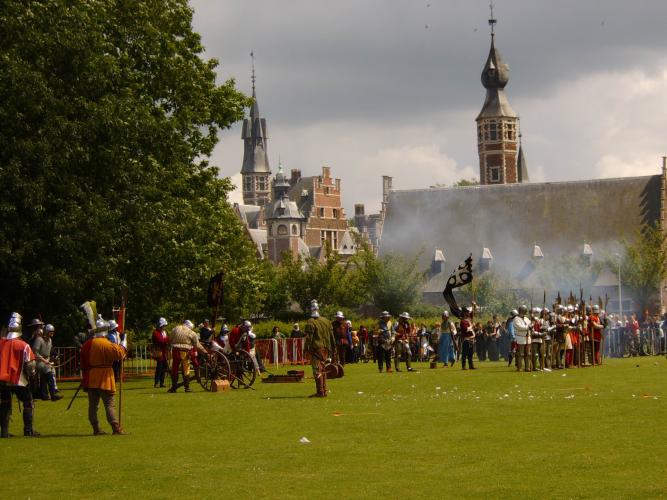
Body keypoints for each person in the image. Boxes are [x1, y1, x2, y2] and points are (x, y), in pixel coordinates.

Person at [80, 317, 127, 435]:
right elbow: (120, 353)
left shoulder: (86, 344)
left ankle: (96, 428)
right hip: (104, 376)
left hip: (91, 377)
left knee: (93, 405)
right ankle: (116, 428)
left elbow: (82, 363)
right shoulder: (105, 343)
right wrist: (124, 340)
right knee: (109, 404)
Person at [0, 313, 40, 437]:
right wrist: (32, 376)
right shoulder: (24, 345)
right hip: (19, 380)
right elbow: (30, 365)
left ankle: (4, 432)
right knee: (28, 402)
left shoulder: (1, 343)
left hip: (3, 380)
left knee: (5, 403)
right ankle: (28, 430)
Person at [304, 300, 336, 397]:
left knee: (317, 370)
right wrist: (333, 348)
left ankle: (320, 392)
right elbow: (332, 336)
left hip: (316, 349)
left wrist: (305, 349)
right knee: (323, 369)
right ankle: (324, 390)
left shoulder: (311, 321)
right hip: (326, 349)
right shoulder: (326, 321)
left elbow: (308, 338)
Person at [168, 320, 207, 393]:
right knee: (186, 369)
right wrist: (205, 352)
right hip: (185, 352)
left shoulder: (175, 329)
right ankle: (187, 388)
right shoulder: (191, 332)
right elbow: (197, 345)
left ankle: (174, 387)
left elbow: (170, 339)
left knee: (175, 369)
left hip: (175, 351)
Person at [32, 323, 62, 401]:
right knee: (49, 375)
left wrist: (53, 358)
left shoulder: (50, 340)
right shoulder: (39, 340)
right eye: (50, 331)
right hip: (38, 361)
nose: (52, 333)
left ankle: (44, 395)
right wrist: (45, 361)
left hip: (46, 361)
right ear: (46, 332)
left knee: (44, 378)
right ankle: (53, 394)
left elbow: (49, 352)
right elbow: (35, 353)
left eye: (53, 331)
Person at [513, 305, 532, 372]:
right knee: (521, 354)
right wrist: (528, 327)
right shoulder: (516, 319)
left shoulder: (526, 318)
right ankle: (520, 367)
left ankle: (527, 367)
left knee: (527, 353)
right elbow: (519, 327)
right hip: (520, 337)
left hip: (527, 337)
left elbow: (530, 324)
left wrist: (531, 325)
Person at [152, 317, 169, 388]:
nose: (164, 327)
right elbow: (160, 341)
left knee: (164, 368)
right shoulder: (155, 332)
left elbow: (167, 340)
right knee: (159, 368)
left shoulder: (165, 332)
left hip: (164, 352)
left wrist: (166, 340)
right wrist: (166, 340)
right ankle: (156, 382)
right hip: (159, 352)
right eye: (163, 325)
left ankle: (162, 382)